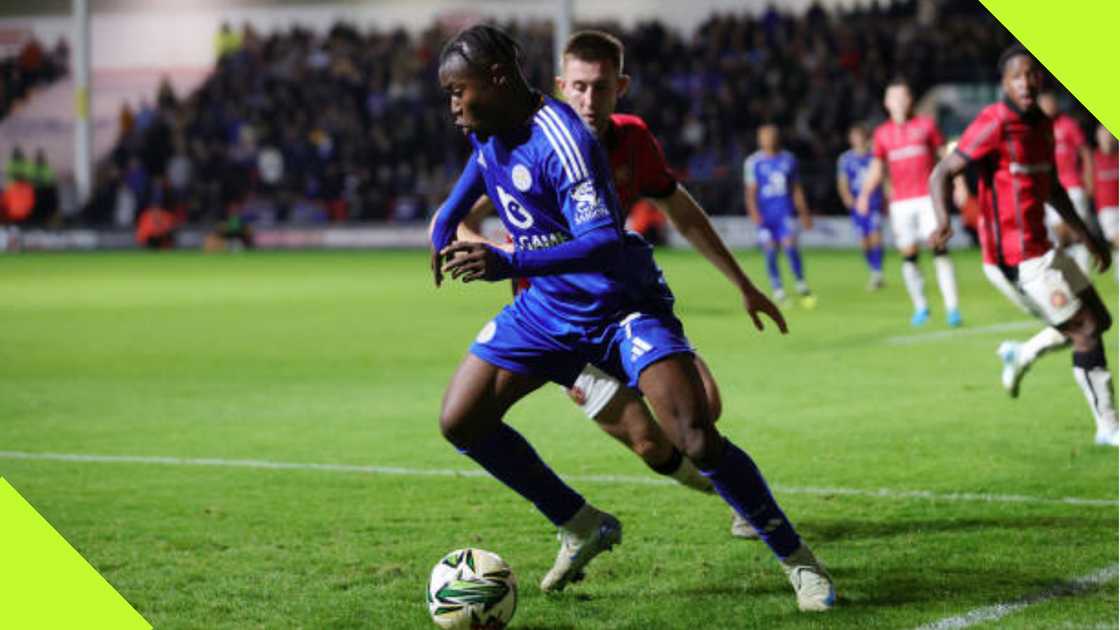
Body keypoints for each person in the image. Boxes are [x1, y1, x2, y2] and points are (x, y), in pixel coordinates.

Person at [428, 25, 835, 610]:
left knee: (695, 436)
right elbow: (472, 178)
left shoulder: (562, 142)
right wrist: (443, 226)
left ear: (494, 81)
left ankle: (799, 562)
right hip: (545, 311)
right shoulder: (487, 125)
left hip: (619, 306)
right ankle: (577, 520)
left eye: (456, 92)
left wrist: (508, 261)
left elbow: (601, 243)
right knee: (460, 420)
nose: (452, 106)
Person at [449, 30, 768, 539]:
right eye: (578, 87)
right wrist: (497, 253)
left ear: (620, 87)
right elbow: (465, 213)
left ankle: (740, 498)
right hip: (553, 322)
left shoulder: (632, 141)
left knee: (700, 407)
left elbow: (683, 214)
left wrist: (743, 284)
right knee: (648, 444)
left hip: (621, 308)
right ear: (560, 85)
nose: (588, 100)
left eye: (599, 88)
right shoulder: (524, 139)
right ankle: (611, 518)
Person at [928, 44, 1117, 446]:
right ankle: (1108, 427)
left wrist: (1089, 237)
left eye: (1031, 75)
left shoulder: (1043, 126)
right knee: (1084, 331)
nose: (1026, 82)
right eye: (1017, 76)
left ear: (1040, 79)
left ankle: (1021, 353)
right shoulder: (993, 123)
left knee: (1100, 320)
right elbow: (943, 171)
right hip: (1013, 258)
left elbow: (1051, 187)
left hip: (1044, 247)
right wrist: (944, 218)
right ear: (1005, 83)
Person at [859, 79, 962, 327]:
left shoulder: (926, 125)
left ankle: (952, 309)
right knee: (909, 254)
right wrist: (864, 194)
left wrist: (959, 185)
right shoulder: (882, 133)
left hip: (928, 198)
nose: (899, 102)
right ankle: (921, 307)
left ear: (910, 99)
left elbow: (945, 157)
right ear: (887, 103)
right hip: (900, 203)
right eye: (894, 98)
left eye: (903, 97)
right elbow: (877, 167)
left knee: (939, 248)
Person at [743, 124, 816, 307]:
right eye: (763, 137)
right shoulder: (753, 162)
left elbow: (796, 188)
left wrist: (804, 212)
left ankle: (800, 282)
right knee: (770, 251)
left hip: (784, 212)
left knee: (790, 246)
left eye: (770, 136)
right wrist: (754, 213)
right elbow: (751, 191)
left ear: (777, 138)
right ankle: (778, 289)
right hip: (766, 216)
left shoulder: (788, 159)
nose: (767, 139)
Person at [1038, 91, 1094, 274]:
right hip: (1050, 188)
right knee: (1059, 234)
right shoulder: (1038, 129)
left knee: (1077, 231)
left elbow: (1085, 152)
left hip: (1073, 186)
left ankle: (1084, 276)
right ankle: (1070, 275)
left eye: (1050, 102)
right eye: (1044, 103)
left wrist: (1088, 179)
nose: (1048, 106)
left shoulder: (1068, 125)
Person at [837, 123, 886, 290]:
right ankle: (873, 270)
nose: (857, 140)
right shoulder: (845, 159)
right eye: (854, 137)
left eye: (860, 136)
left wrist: (886, 197)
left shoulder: (875, 156)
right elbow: (843, 182)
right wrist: (847, 198)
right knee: (864, 242)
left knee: (875, 236)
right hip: (857, 205)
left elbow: (883, 178)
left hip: (874, 202)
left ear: (866, 137)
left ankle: (878, 273)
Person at [1091, 124, 1118, 273]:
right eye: (1104, 137)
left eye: (1110, 137)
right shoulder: (1094, 158)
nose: (1107, 140)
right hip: (1107, 210)